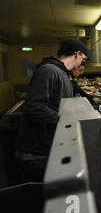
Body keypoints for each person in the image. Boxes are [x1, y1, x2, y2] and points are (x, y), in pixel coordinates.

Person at [15, 38, 88, 183]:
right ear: (77, 54)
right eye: (83, 58)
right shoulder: (49, 70)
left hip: (47, 150)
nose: (82, 62)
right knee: (38, 201)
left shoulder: (62, 73)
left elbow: (56, 103)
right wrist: (67, 119)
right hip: (36, 155)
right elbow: (34, 108)